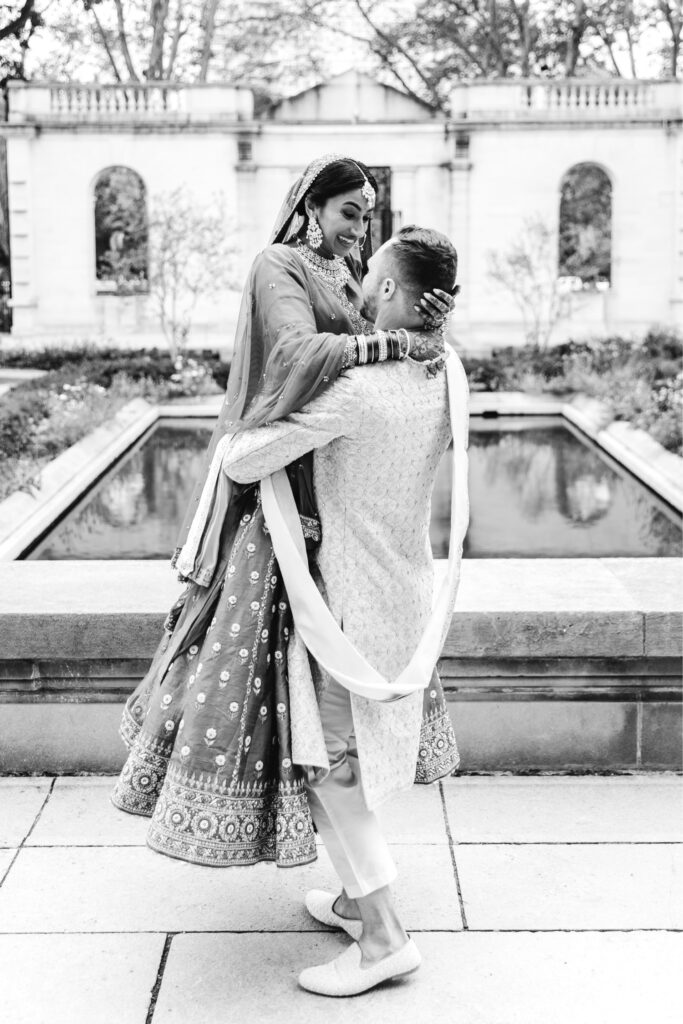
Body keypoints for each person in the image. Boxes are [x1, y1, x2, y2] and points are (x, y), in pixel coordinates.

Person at [111, 155, 459, 872]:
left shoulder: (348, 278)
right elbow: (301, 352)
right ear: (310, 205)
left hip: (336, 494)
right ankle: (354, 889)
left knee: (324, 717)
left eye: (368, 218)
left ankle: (362, 895)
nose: (359, 232)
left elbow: (393, 374)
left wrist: (433, 325)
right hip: (280, 498)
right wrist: (397, 340)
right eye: (348, 214)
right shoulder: (279, 264)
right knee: (284, 700)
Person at [222, 225, 469, 996]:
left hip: (345, 605)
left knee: (333, 768)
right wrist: (428, 331)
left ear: (392, 291)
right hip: (402, 590)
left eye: (371, 283)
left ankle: (384, 939)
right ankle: (354, 903)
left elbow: (241, 458)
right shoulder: (446, 369)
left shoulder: (357, 391)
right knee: (349, 760)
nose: (357, 288)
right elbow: (418, 347)